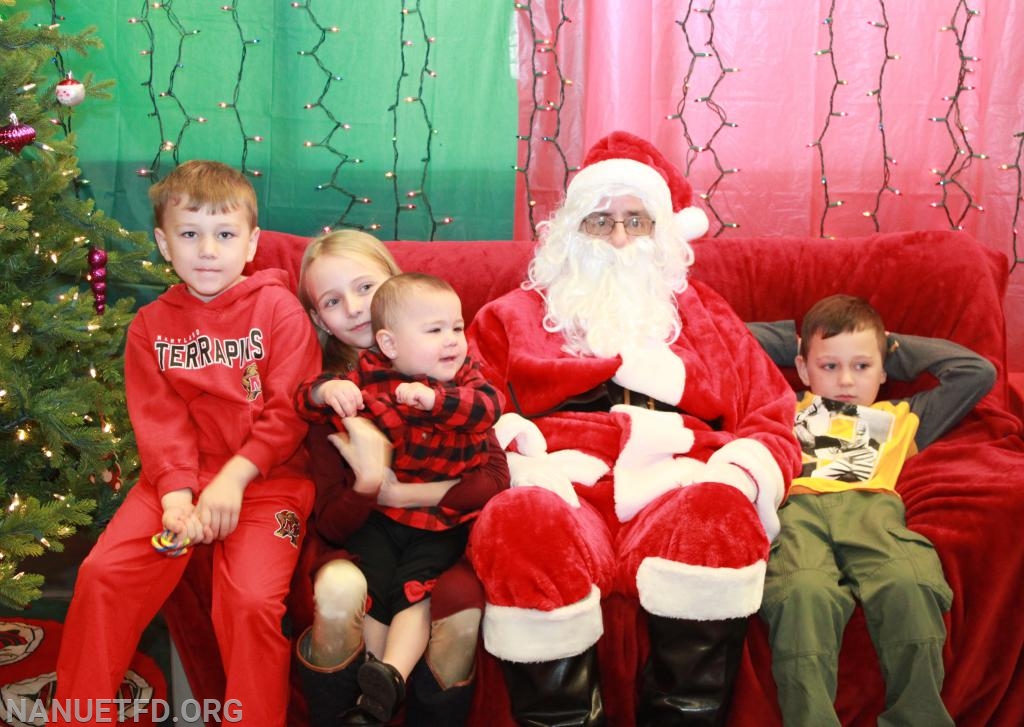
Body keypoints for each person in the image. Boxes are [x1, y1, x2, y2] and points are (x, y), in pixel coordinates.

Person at [464, 130, 802, 726]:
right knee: (520, 522)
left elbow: (772, 415)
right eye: (600, 222)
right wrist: (520, 462)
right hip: (563, 484)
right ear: (571, 232)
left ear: (661, 233)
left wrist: (734, 473)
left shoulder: (704, 315)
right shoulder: (510, 316)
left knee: (718, 513)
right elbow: (469, 409)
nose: (618, 238)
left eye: (636, 221)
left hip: (678, 482)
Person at [54, 160, 322, 726]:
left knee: (249, 602)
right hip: (173, 482)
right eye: (189, 234)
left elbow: (289, 411)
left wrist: (235, 478)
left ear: (251, 244)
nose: (207, 250)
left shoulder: (279, 310)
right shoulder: (150, 325)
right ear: (163, 243)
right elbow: (160, 420)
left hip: (269, 484)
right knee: (102, 576)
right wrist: (178, 494)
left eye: (224, 235)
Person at [293, 230, 509, 725]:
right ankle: (369, 702)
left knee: (443, 600)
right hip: (368, 529)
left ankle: (386, 684)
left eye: (365, 287)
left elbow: (496, 476)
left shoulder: (447, 363)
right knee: (357, 587)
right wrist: (368, 483)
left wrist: (403, 490)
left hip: (440, 528)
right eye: (331, 300)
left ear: (395, 283)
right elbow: (330, 521)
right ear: (317, 318)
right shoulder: (345, 388)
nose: (354, 308)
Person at [748, 294, 996, 727]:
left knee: (910, 582)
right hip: (799, 514)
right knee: (802, 593)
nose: (846, 380)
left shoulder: (902, 416)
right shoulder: (783, 406)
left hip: (873, 514)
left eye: (861, 367)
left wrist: (887, 347)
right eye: (829, 366)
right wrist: (800, 344)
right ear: (804, 369)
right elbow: (732, 341)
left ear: (883, 369)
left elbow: (976, 372)